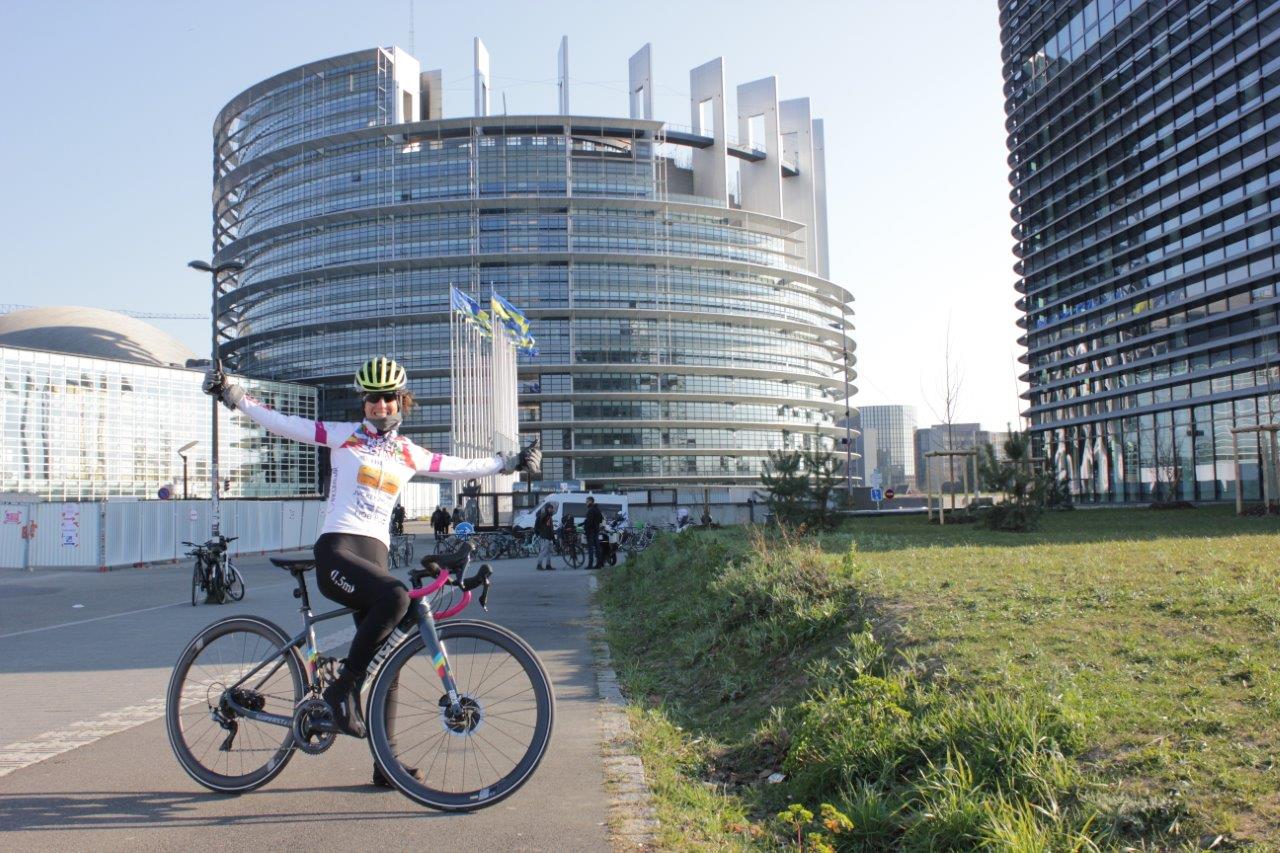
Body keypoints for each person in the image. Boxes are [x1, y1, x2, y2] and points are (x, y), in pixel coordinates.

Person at [203, 356, 540, 787]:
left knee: (390, 664)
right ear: (364, 404)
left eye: (387, 399)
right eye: (371, 400)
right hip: (338, 553)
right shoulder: (344, 438)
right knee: (396, 597)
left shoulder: (407, 452)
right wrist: (234, 396)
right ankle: (340, 692)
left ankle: (387, 765)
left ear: (400, 402)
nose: (379, 406)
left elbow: (458, 464)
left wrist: (508, 462)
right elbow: (284, 423)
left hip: (373, 559)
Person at [583, 496, 605, 570]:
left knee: (591, 549)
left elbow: (589, 522)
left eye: (587, 501)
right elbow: (601, 520)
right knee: (597, 547)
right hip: (596, 530)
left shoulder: (590, 510)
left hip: (590, 532)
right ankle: (599, 564)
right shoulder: (597, 509)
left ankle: (590, 564)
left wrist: (586, 530)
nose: (586, 503)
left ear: (590, 502)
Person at [533, 504, 556, 571]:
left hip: (548, 537)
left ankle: (548, 565)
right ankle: (539, 565)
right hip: (544, 536)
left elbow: (551, 529)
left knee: (549, 551)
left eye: (552, 508)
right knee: (543, 551)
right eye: (550, 508)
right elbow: (539, 524)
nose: (551, 509)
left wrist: (553, 538)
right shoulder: (544, 516)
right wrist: (539, 533)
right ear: (546, 509)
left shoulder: (549, 517)